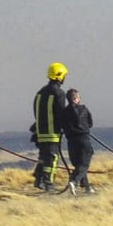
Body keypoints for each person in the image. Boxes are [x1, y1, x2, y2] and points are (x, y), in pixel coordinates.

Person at [32, 62, 68, 191]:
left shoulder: (40, 92)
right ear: (60, 76)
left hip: (40, 131)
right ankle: (49, 183)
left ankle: (38, 178)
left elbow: (35, 111)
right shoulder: (59, 93)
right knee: (53, 157)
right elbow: (61, 113)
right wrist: (65, 127)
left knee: (43, 156)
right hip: (53, 132)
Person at [62, 88, 95, 194]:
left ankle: (87, 187)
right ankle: (74, 181)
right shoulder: (84, 109)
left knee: (78, 164)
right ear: (76, 98)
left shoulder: (64, 112)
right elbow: (90, 122)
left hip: (71, 141)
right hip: (83, 139)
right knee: (84, 164)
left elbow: (62, 124)